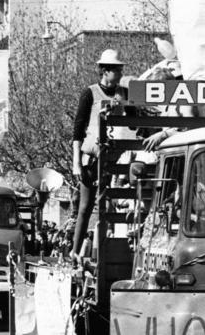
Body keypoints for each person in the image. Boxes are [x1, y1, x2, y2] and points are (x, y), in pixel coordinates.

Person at [71, 49, 129, 259]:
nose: (121, 73)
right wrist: (76, 162)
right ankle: (75, 251)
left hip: (114, 157)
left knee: (110, 204)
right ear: (105, 71)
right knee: (86, 206)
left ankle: (106, 249)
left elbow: (133, 120)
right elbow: (78, 129)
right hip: (91, 157)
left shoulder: (124, 93)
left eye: (121, 69)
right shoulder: (90, 93)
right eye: (117, 70)